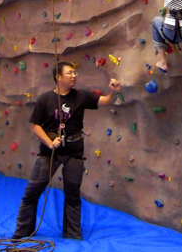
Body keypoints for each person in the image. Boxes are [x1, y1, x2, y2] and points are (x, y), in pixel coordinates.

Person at [12, 61, 121, 240]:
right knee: (32, 191)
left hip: (74, 152)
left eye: (75, 72)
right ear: (58, 77)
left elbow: (106, 101)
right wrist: (49, 142)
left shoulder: (82, 96)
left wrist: (115, 92)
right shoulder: (45, 99)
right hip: (50, 153)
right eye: (69, 73)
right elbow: (34, 125)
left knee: (72, 193)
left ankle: (72, 234)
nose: (74, 76)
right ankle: (23, 231)